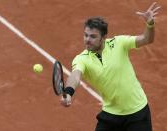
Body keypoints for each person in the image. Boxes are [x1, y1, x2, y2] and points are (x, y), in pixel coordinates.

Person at [61, 2, 160, 131]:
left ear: (104, 37)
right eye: (85, 35)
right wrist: (68, 92)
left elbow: (147, 39)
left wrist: (150, 24)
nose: (87, 40)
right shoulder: (81, 59)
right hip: (111, 115)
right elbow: (75, 75)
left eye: (93, 36)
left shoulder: (119, 43)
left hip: (138, 112)